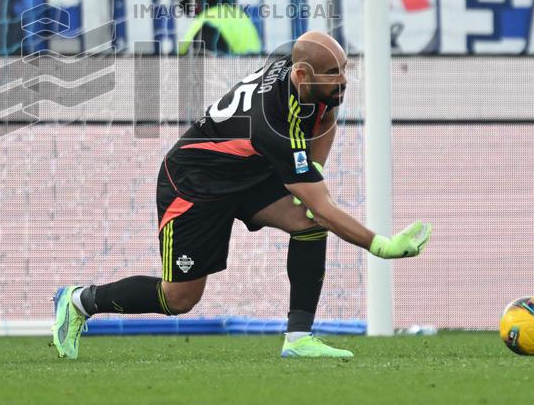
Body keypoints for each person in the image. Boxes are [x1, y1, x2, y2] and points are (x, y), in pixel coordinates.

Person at [52, 31, 431, 360]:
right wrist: (379, 245)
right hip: (193, 185)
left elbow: (325, 117)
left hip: (246, 172)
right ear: (301, 74)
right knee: (179, 299)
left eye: (345, 68)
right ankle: (79, 301)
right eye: (334, 73)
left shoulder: (306, 75)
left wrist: (312, 173)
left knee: (308, 223)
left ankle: (299, 338)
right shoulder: (273, 124)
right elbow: (324, 206)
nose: (344, 80)